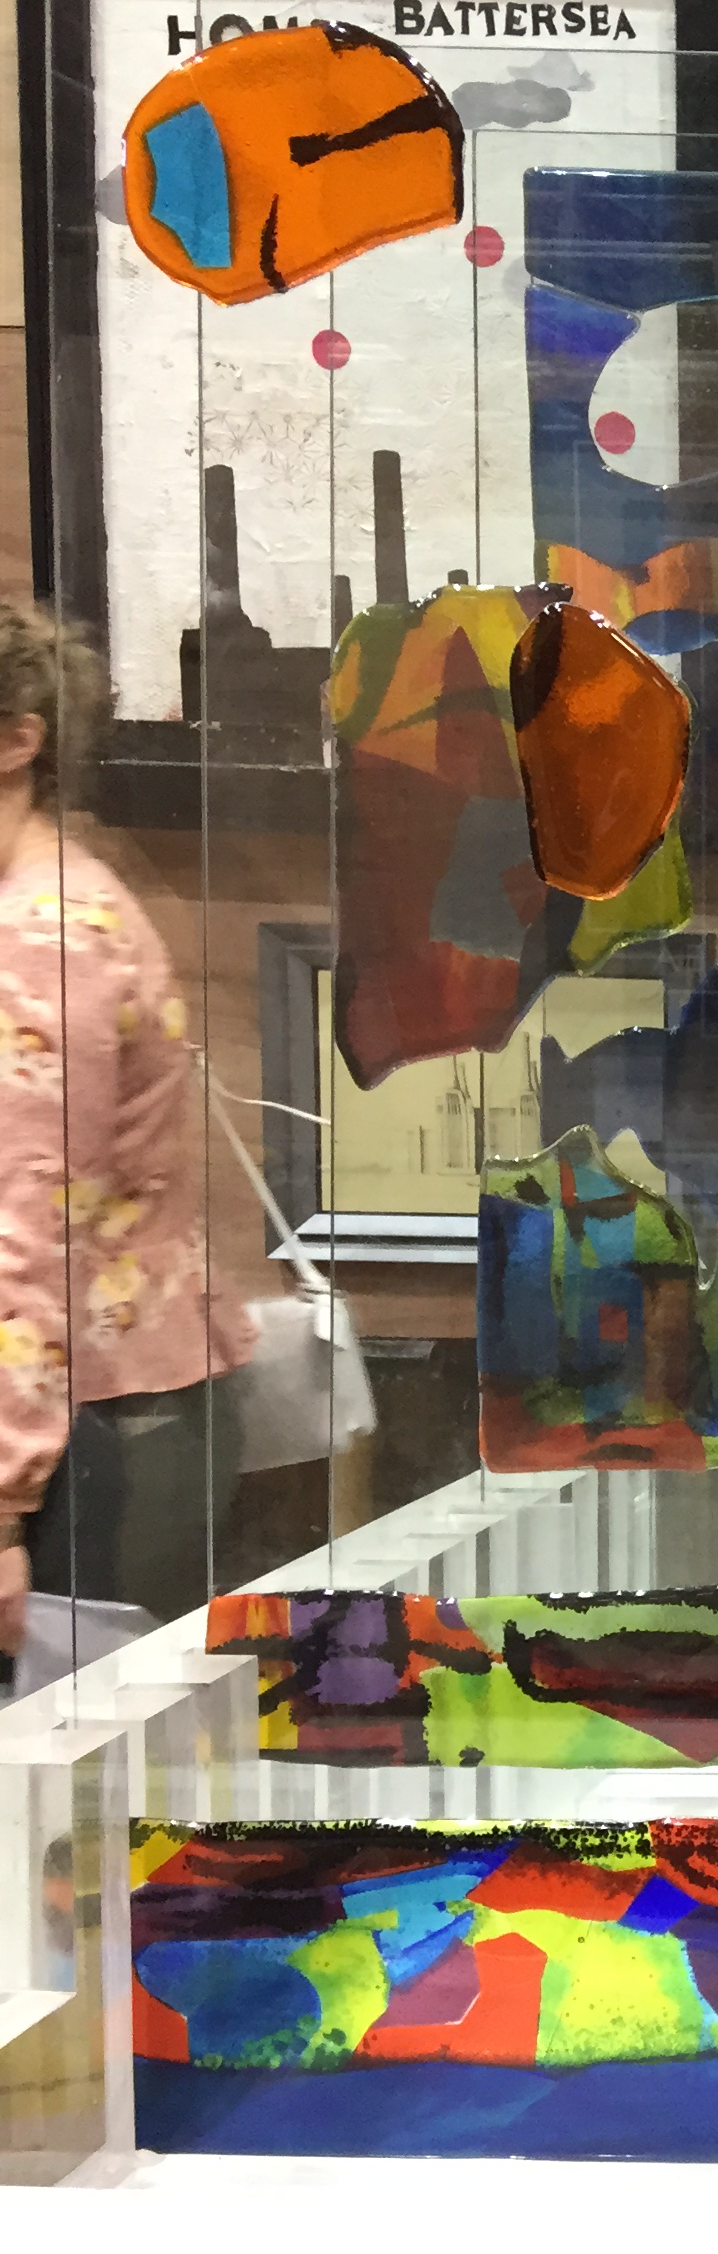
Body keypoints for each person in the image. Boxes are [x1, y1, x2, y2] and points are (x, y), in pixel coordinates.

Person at [0, 601, 252, 1675]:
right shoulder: (51, 902)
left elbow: (21, 1228)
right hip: (87, 1416)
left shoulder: (43, 937)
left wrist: (1, 1511)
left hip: (76, 1440)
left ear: (19, 741)